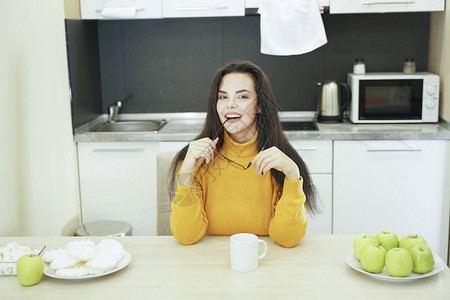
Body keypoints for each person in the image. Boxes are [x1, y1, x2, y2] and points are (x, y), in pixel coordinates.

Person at [168, 60, 317, 248]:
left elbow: (288, 239)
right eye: (222, 97)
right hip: (208, 264)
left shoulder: (279, 162)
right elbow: (186, 236)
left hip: (265, 262)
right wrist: (187, 174)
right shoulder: (197, 160)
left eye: (242, 97)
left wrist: (293, 175)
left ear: (260, 106)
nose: (230, 105)